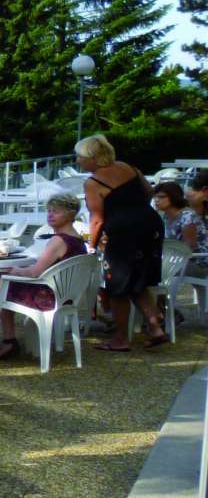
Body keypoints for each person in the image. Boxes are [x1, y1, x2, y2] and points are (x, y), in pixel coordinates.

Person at [78, 134, 166, 348]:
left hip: (123, 234)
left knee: (117, 286)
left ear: (94, 158)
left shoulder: (93, 182)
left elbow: (97, 219)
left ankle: (120, 339)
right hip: (150, 225)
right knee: (138, 280)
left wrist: (91, 245)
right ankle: (155, 326)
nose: (77, 161)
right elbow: (148, 191)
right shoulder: (128, 168)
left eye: (80, 156)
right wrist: (133, 209)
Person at [0, 192, 90, 359]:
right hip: (65, 294)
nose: (50, 215)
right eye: (49, 211)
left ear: (70, 215)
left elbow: (35, 273)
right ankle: (6, 339)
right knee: (3, 282)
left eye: (56, 211)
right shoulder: (77, 238)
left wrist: (13, 270)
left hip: (48, 296)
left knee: (0, 281)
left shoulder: (58, 241)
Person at [154, 181, 208, 276]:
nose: (156, 200)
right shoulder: (166, 215)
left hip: (198, 262)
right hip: (179, 258)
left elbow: (189, 247)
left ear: (174, 197)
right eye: (156, 196)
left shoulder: (187, 216)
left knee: (152, 267)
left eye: (162, 197)